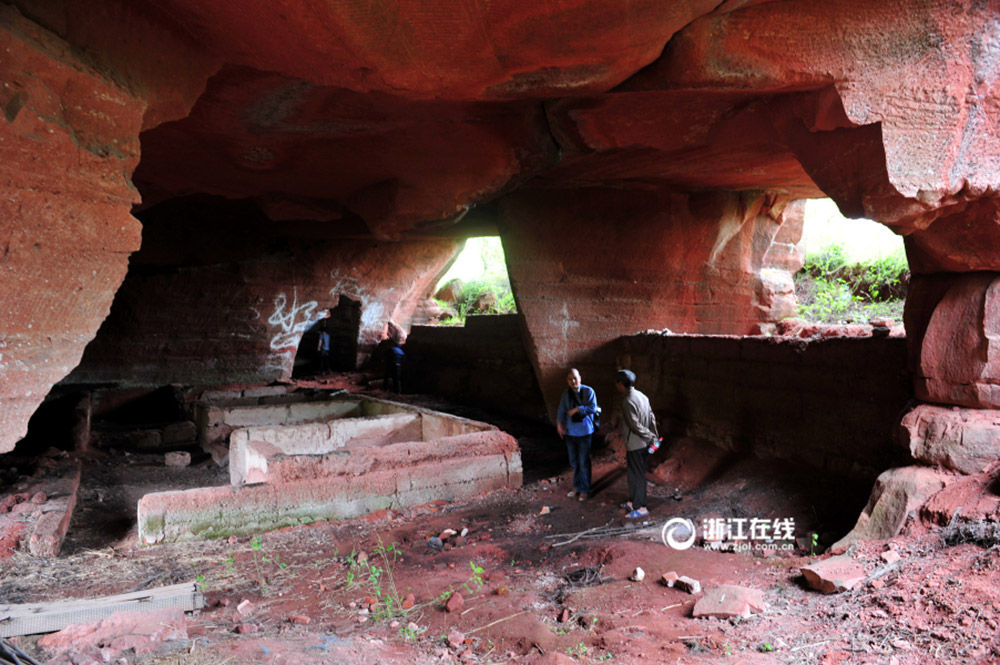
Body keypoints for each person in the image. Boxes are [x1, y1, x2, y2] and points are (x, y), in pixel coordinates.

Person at [616, 369, 658, 518]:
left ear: (621, 384)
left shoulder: (628, 401)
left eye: (617, 383)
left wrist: (650, 437)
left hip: (636, 444)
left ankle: (641, 507)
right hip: (642, 444)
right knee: (633, 473)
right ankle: (634, 501)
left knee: (638, 475)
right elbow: (651, 418)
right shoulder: (643, 396)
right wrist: (654, 436)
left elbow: (635, 426)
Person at [556, 368, 600, 501]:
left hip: (584, 432)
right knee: (574, 461)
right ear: (567, 381)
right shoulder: (566, 394)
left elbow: (593, 408)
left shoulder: (588, 391)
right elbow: (562, 409)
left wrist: (577, 409)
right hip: (570, 432)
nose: (573, 381)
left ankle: (585, 490)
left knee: (583, 461)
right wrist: (559, 424)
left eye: (575, 378)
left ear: (580, 378)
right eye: (570, 379)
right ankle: (577, 485)